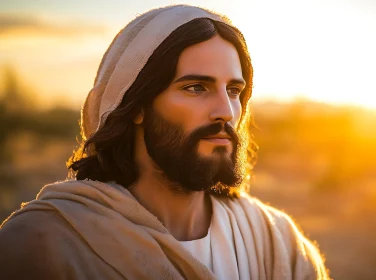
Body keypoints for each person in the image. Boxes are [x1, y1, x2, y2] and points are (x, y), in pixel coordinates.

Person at [0, 5, 329, 280]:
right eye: (196, 87)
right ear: (136, 105)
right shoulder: (43, 243)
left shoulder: (277, 242)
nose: (225, 112)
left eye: (234, 91)